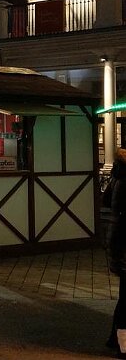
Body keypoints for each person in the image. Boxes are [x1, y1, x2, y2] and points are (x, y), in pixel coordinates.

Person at [107, 148, 126, 358]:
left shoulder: (117, 178)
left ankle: (115, 339)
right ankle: (123, 345)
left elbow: (106, 201)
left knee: (124, 299)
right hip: (124, 248)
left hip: (119, 247)